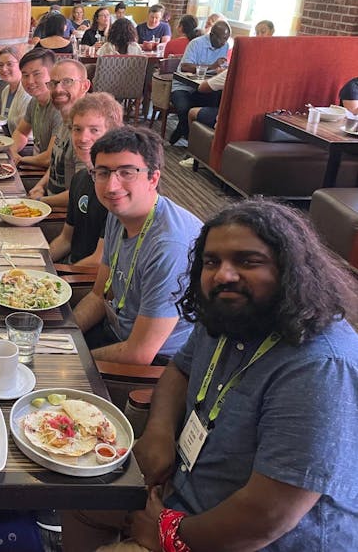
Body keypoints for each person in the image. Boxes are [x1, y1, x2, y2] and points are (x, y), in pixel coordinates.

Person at [121, 199, 358, 551]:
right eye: (212, 261)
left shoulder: (320, 366)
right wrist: (158, 431)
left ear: (290, 269)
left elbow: (266, 517)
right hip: (182, 494)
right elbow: (179, 370)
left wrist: (167, 533)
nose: (224, 274)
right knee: (75, 496)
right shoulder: (229, 310)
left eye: (248, 261)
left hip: (244, 540)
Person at [71, 127, 201, 365]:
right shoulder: (119, 212)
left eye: (127, 172)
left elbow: (139, 354)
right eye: (102, 172)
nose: (112, 186)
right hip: (116, 332)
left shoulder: (169, 246)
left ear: (153, 178)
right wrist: (64, 337)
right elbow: (100, 295)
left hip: (157, 365)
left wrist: (72, 361)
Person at [48, 93, 123, 266]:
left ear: (112, 132)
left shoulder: (117, 191)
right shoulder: (80, 178)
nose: (83, 138)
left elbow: (99, 260)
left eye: (94, 130)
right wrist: (40, 266)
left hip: (84, 279)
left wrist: (53, 280)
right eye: (77, 129)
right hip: (69, 266)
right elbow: (65, 240)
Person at [28, 60, 91, 206]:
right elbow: (57, 164)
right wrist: (40, 186)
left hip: (64, 215)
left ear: (85, 86)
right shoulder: (66, 120)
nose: (58, 89)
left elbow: (81, 193)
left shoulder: (84, 132)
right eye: (53, 83)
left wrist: (41, 201)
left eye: (67, 82)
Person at [169, 20, 231, 145]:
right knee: (184, 108)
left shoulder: (225, 46)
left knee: (215, 103)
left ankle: (191, 135)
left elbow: (220, 67)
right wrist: (212, 66)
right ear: (212, 35)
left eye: (226, 39)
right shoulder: (196, 44)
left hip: (205, 86)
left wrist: (220, 70)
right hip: (184, 86)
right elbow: (185, 66)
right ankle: (188, 136)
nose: (224, 42)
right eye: (222, 39)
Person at [8, 48, 61, 170]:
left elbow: (50, 158)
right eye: (25, 75)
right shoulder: (34, 101)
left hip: (50, 176)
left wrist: (20, 159)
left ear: (52, 74)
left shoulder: (59, 107)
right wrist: (13, 151)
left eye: (36, 74)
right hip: (39, 168)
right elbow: (21, 132)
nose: (30, 81)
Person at [0, 45, 33, 135]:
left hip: (26, 145)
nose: (4, 69)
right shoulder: (5, 91)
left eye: (9, 64)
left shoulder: (27, 93)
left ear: (21, 65)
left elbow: (25, 134)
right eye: (0, 65)